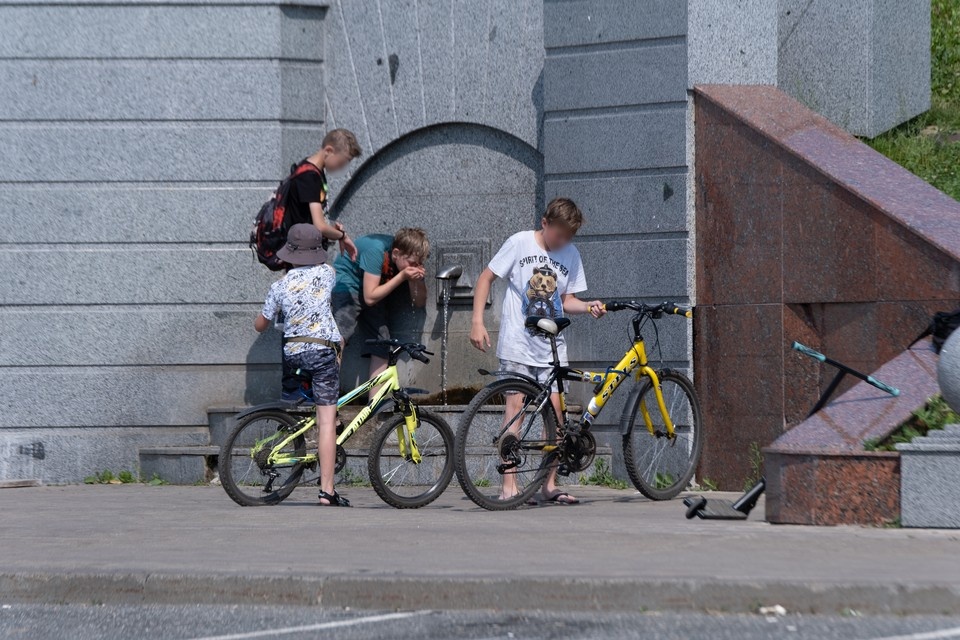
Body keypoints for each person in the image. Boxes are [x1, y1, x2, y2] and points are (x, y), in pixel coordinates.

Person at [469, 198, 606, 505]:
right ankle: (509, 486)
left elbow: (566, 299)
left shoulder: (570, 254)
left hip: (552, 348)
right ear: (545, 223)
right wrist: (477, 321)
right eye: (560, 235)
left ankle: (548, 484)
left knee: (558, 418)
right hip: (519, 345)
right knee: (514, 415)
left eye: (569, 237)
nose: (564, 242)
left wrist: (587, 306)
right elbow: (485, 278)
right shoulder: (519, 243)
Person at [255, 224, 350, 507]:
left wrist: (265, 314)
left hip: (293, 356)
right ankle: (327, 491)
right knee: (326, 424)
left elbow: (260, 325)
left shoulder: (279, 286)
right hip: (321, 355)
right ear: (317, 252)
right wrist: (344, 239)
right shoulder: (327, 273)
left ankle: (301, 404)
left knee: (334, 345)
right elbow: (343, 263)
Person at [280, 129, 361, 402]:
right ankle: (292, 386)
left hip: (306, 259)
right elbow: (317, 224)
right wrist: (342, 236)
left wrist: (332, 229)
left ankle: (301, 383)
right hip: (301, 261)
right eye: (343, 159)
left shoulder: (313, 174)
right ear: (328, 150)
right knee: (300, 317)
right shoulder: (308, 176)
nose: (343, 166)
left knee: (307, 316)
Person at [332, 228, 430, 382]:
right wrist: (402, 277)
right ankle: (326, 391)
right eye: (411, 263)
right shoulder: (376, 251)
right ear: (396, 253)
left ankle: (375, 402)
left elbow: (419, 303)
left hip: (374, 287)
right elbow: (370, 297)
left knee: (382, 343)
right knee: (339, 335)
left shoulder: (410, 261)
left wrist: (414, 281)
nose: (415, 267)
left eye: (419, 264)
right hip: (348, 282)